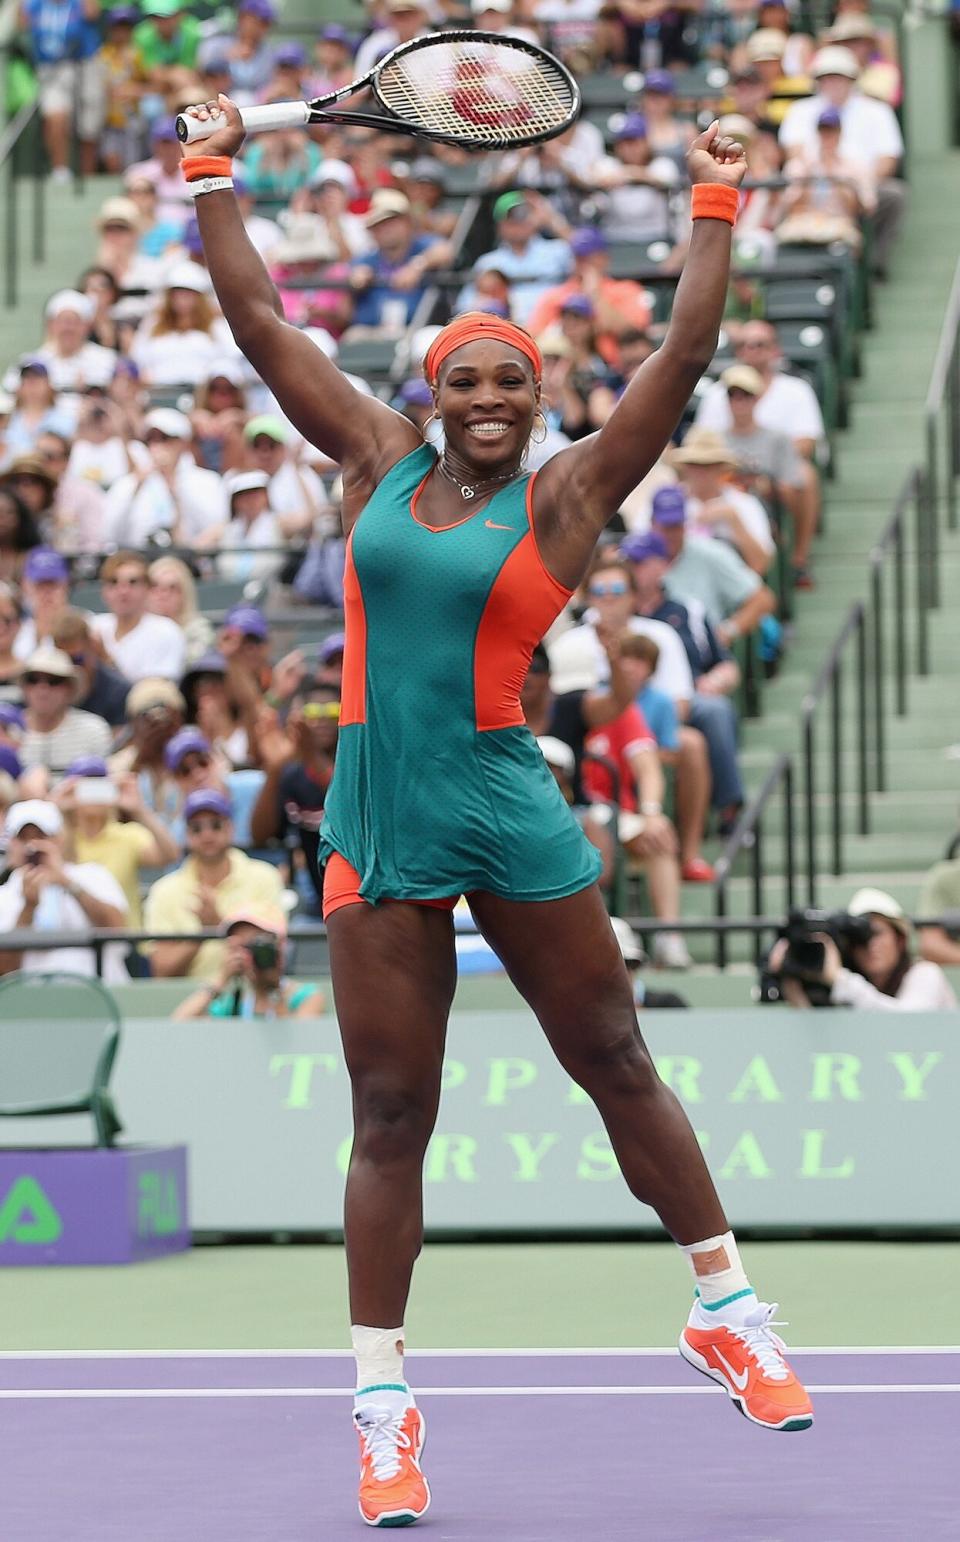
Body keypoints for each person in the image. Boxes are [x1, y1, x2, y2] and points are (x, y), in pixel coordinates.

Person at [182, 98, 812, 1527]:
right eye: (464, 378)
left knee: (614, 1053)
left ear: (537, 402)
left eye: (509, 384)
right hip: (379, 802)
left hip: (505, 796)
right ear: (431, 384)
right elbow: (264, 323)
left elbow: (686, 354)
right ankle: (384, 1407)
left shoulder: (574, 492)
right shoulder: (373, 459)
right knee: (392, 1108)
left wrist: (715, 202)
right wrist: (213, 167)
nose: (485, 398)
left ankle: (727, 1301)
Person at [143, 788, 285, 980]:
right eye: (196, 828)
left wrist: (217, 925)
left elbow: (272, 955)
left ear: (230, 828)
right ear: (186, 834)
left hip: (251, 995)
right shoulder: (164, 890)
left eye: (216, 825)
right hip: (190, 1000)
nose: (207, 834)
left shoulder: (265, 877)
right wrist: (204, 932)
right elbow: (162, 971)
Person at [0, 799, 127, 981]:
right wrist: (28, 909)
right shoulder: (3, 896)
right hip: (31, 1003)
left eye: (41, 836)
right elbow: (4, 970)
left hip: (98, 998)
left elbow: (118, 930)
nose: (32, 845)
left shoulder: (94, 875)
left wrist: (68, 884)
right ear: (11, 843)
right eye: (23, 837)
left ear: (60, 839)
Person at [768, 889, 957, 1011]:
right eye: (859, 939)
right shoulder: (848, 990)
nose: (869, 945)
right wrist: (794, 990)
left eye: (876, 934)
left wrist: (839, 979)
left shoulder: (926, 974)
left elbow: (907, 1029)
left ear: (900, 939)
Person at [57, 761, 179, 928]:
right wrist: (57, 809)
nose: (93, 795)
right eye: (85, 787)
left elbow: (170, 855)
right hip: (77, 944)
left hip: (126, 943)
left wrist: (139, 809)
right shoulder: (58, 839)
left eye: (99, 787)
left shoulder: (128, 835)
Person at [104, 407, 226, 550]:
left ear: (183, 442)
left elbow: (215, 527)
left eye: (165, 438)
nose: (157, 445)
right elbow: (110, 534)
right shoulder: (128, 483)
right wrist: (137, 485)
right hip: (138, 558)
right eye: (151, 439)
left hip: (187, 560)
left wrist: (175, 489)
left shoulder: (207, 481)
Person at [173, 905, 324, 1019]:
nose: (250, 955)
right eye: (240, 947)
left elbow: (297, 1045)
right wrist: (221, 980)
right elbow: (179, 1026)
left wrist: (274, 990)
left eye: (256, 945)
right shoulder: (234, 1004)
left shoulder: (306, 996)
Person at [92, 551, 187, 682]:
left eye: (133, 582)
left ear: (148, 588)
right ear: (103, 591)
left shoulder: (166, 631)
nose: (123, 591)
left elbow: (151, 695)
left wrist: (106, 660)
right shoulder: (93, 626)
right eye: (113, 582)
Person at [18, 646, 112, 775]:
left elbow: (104, 786)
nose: (42, 689)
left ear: (70, 688)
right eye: (33, 680)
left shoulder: (93, 730)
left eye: (54, 681)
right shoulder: (7, 730)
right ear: (24, 687)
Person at [52, 609, 131, 728]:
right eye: (64, 660)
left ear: (92, 646)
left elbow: (119, 741)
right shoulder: (47, 687)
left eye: (77, 659)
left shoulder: (118, 691)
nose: (72, 667)